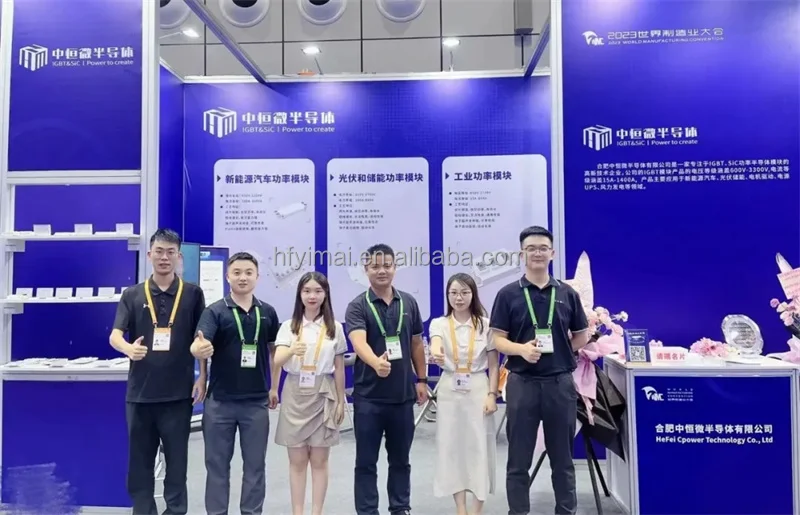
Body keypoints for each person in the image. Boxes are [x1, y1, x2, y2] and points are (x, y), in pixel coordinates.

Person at [489, 226, 590, 515]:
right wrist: (521, 349)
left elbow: (582, 336)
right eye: (531, 248)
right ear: (522, 254)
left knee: (563, 460)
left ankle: (566, 511)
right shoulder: (508, 294)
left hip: (560, 384)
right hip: (522, 384)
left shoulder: (567, 293)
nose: (537, 253)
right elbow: (497, 339)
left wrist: (561, 351)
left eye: (543, 248)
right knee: (518, 460)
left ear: (552, 253)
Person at [109, 228, 207, 515]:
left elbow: (200, 339)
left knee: (177, 464)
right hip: (140, 396)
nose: (164, 257)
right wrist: (128, 349)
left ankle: (175, 511)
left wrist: (203, 375)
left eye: (170, 252)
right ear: (149, 254)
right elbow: (115, 335)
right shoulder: (132, 294)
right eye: (159, 252)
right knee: (139, 465)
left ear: (178, 256)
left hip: (178, 395)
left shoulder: (192, 294)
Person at [190, 252, 280, 515]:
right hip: (220, 403)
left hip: (256, 403)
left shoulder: (268, 312)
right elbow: (199, 344)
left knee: (255, 466)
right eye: (237, 272)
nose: (243, 277)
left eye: (248, 273)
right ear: (227, 276)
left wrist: (274, 387)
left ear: (257, 277)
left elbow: (275, 352)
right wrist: (201, 365)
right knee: (217, 466)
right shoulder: (215, 311)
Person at [345, 244, 428, 515]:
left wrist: (421, 379)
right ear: (366, 270)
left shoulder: (409, 302)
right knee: (366, 462)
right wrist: (375, 362)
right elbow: (358, 341)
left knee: (401, 460)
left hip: (402, 397)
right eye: (375, 266)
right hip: (369, 398)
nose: (382, 271)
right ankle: (367, 511)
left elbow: (416, 343)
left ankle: (400, 507)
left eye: (387, 265)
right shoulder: (358, 305)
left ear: (394, 267)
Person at [272, 271, 347, 515]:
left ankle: (317, 512)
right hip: (295, 393)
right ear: (299, 295)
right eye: (307, 291)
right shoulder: (288, 326)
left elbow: (339, 368)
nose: (312, 296)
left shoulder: (335, 327)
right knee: (297, 461)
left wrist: (340, 401)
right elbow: (277, 360)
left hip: (323, 392)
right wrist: (291, 350)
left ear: (325, 294)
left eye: (317, 291)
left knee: (319, 460)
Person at [430, 273, 499, 515]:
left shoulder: (486, 325)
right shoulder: (439, 323)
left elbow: (494, 364)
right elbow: (435, 343)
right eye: (453, 293)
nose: (458, 298)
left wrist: (492, 394)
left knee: (479, 446)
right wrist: (436, 352)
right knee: (451, 447)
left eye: (464, 293)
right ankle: (461, 508)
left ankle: (477, 508)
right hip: (450, 388)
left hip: (478, 387)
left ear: (473, 294)